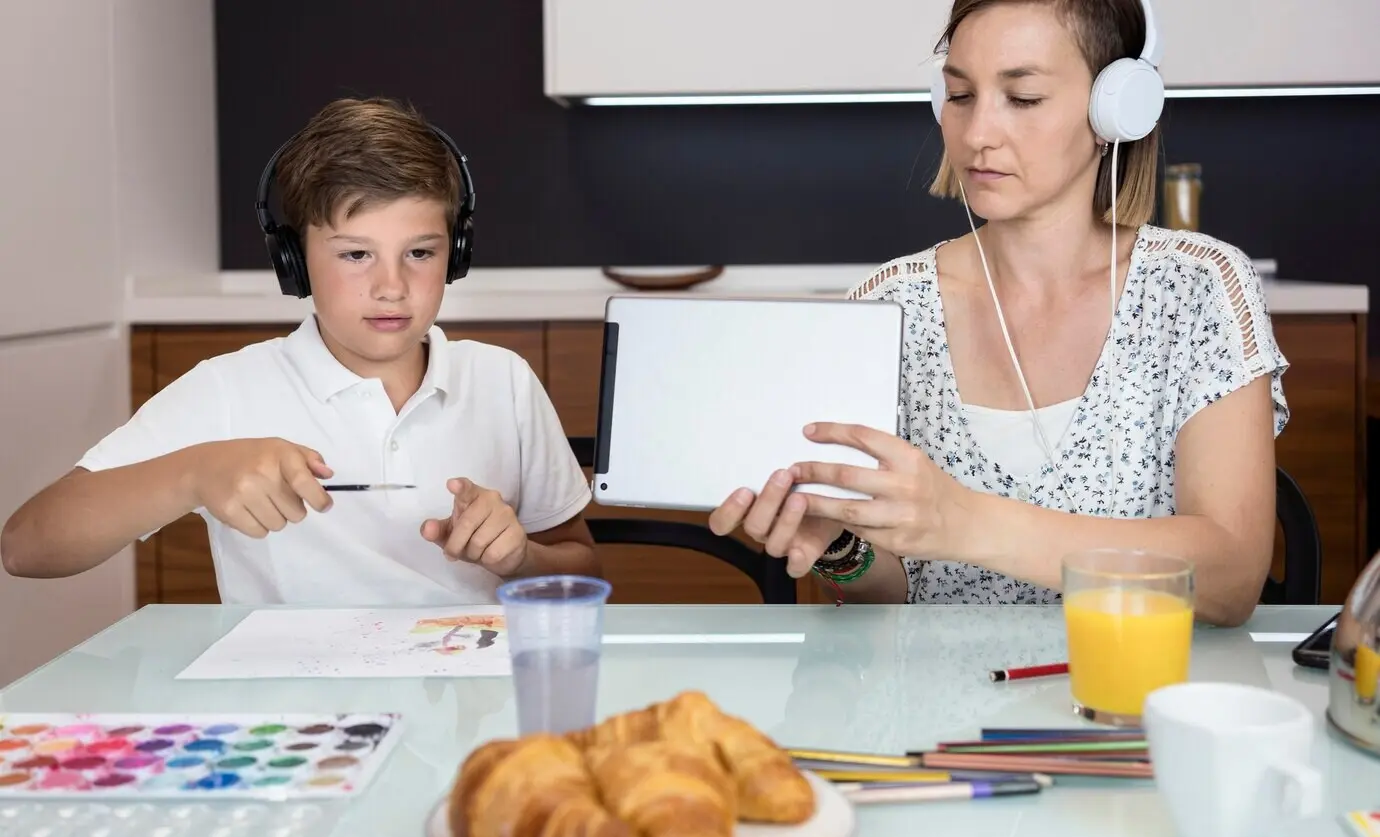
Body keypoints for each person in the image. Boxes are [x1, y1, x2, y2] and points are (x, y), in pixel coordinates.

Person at [708, 0, 1287, 627]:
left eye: (1024, 98)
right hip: (938, 712)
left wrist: (964, 522)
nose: (978, 132)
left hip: (1130, 704)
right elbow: (897, 597)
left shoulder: (1196, 288)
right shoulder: (891, 304)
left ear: (1112, 111)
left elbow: (1231, 577)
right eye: (960, 95)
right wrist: (841, 549)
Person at [1, 97, 599, 604]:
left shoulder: (504, 381)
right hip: (296, 714)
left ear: (456, 253)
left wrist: (521, 559)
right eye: (355, 254)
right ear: (295, 261)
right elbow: (26, 547)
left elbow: (587, 573)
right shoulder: (228, 389)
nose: (391, 286)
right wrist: (190, 474)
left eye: (420, 252)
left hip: (477, 702)